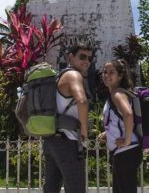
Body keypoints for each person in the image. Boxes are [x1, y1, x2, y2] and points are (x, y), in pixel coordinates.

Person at [43, 42, 93, 193]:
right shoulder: (73, 75)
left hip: (52, 141)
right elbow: (82, 101)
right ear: (70, 57)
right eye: (82, 56)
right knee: (76, 188)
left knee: (51, 188)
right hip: (68, 142)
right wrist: (84, 132)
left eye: (90, 58)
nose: (86, 61)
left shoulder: (59, 76)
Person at [99, 59, 143, 193]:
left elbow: (128, 115)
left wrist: (127, 140)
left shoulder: (117, 93)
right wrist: (108, 133)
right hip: (123, 153)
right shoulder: (116, 93)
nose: (107, 75)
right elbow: (120, 119)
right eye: (105, 72)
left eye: (111, 72)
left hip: (126, 152)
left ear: (120, 75)